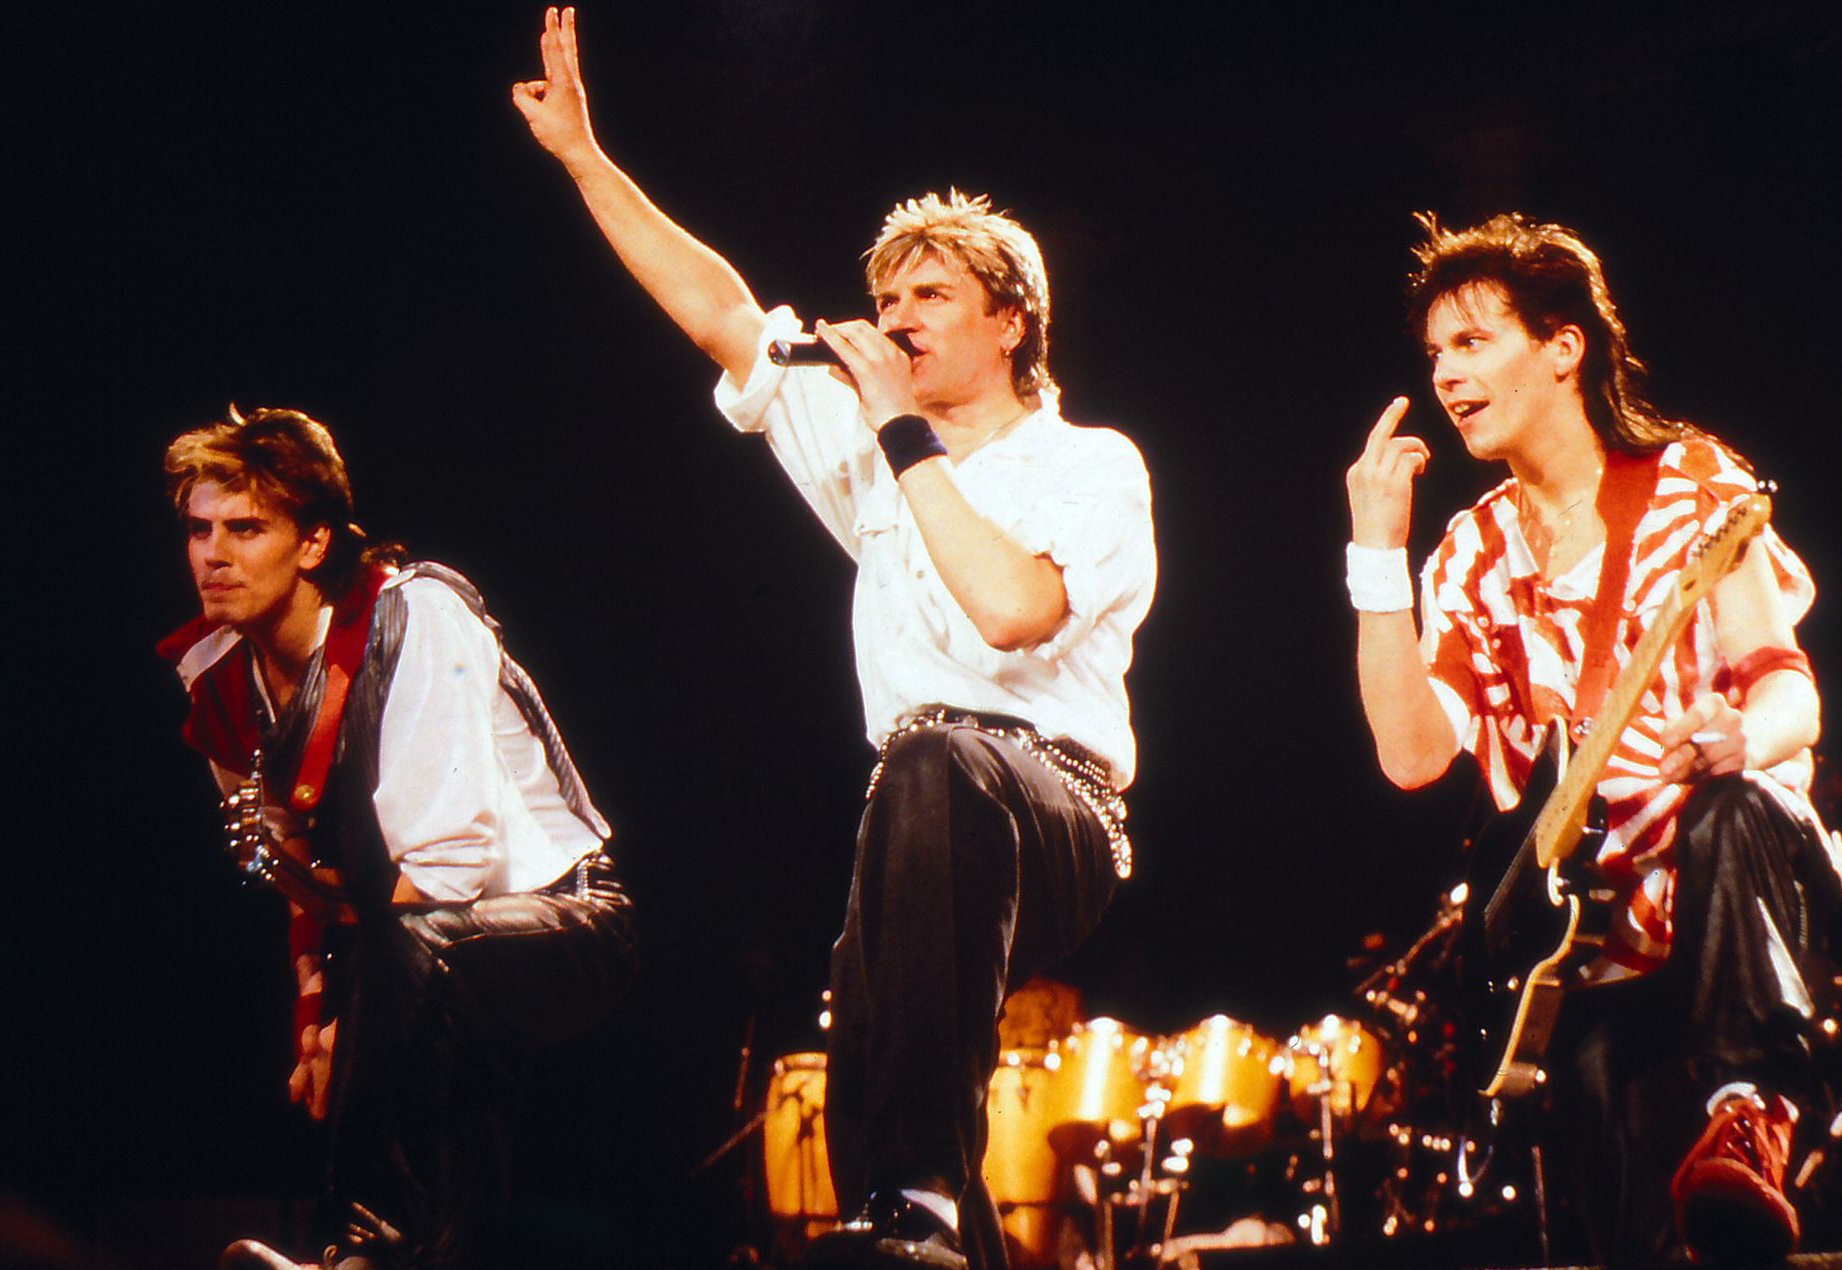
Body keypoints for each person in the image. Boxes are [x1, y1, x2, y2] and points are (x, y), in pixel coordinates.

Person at [514, 9, 1155, 1267]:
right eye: (883, 298)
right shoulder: (862, 431)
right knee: (868, 1038)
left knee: (929, 766)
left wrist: (899, 436)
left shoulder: (1087, 462)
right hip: (918, 808)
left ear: (1011, 321)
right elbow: (719, 311)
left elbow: (1015, 612)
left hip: (1060, 813)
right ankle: (925, 1223)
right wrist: (587, 160)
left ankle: (914, 1197)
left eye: (930, 296)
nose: (897, 318)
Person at [1344, 213, 1834, 1266]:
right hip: (1580, 950)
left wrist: (1737, 740)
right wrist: (1376, 556)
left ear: (1561, 346)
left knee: (1737, 804)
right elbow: (1410, 754)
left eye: (1471, 341)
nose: (1444, 373)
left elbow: (1790, 695)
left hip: (1726, 894)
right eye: (1433, 353)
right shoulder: (1469, 554)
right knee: (1637, 1237)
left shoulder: (1692, 484)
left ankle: (1752, 1107)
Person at [157, 407, 639, 1270]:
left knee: (423, 970)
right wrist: (317, 1016)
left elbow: (450, 863)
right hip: (415, 952)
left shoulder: (414, 612)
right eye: (198, 530)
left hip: (561, 923)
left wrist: (359, 1024)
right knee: (451, 1154)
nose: (212, 554)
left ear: (313, 543)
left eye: (245, 528)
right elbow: (304, 882)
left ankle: (357, 1252)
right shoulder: (220, 675)